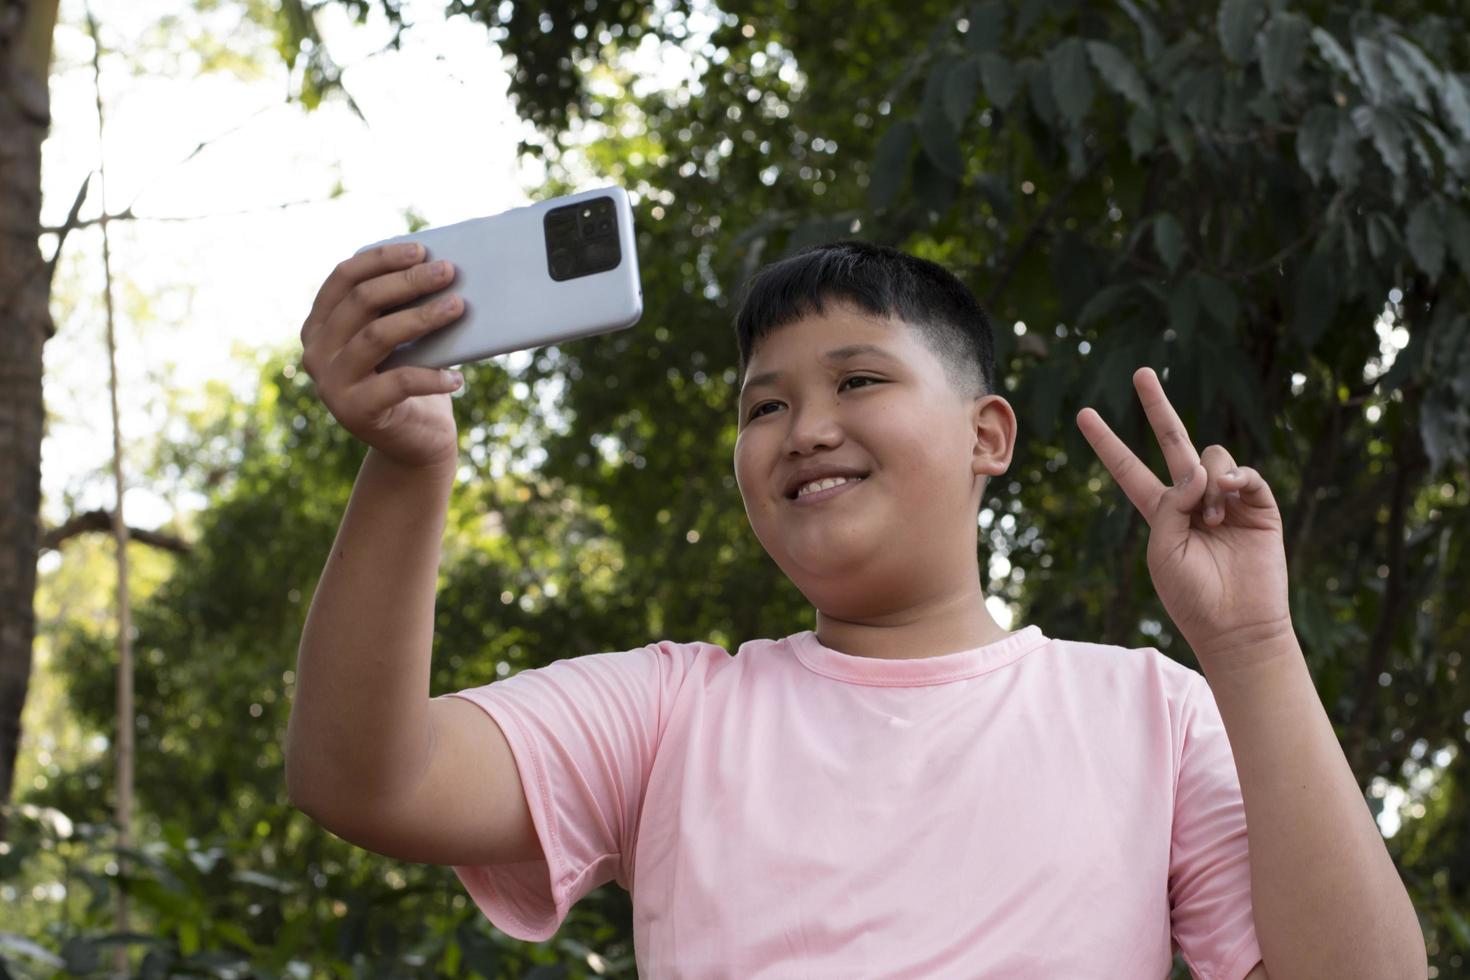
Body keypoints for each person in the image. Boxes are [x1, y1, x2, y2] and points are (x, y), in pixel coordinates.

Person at [286, 240, 1422, 979]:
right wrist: (405, 468)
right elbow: (364, 779)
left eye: (859, 380)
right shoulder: (672, 710)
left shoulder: (1151, 713)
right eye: (764, 404)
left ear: (987, 434)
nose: (805, 426)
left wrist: (1253, 647)